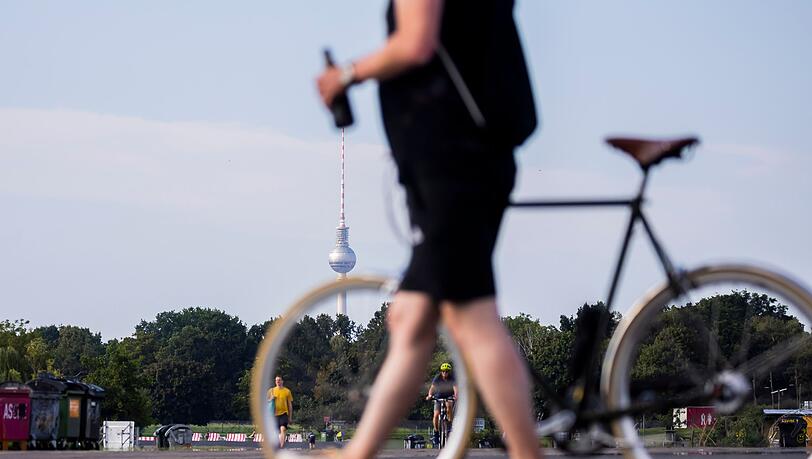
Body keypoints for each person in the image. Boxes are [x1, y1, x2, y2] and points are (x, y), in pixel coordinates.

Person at [316, 1, 540, 458]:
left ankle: (526, 452)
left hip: (453, 162)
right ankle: (359, 453)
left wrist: (346, 75)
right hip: (467, 157)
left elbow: (415, 43)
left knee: (470, 317)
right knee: (412, 318)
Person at [425, 362, 458, 444]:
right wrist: (429, 395)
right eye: (443, 371)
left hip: (449, 396)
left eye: (446, 371)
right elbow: (432, 388)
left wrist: (456, 396)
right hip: (438, 397)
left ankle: (449, 427)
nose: (445, 373)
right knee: (436, 415)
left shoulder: (452, 378)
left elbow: (455, 388)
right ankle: (436, 432)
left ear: (449, 372)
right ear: (441, 371)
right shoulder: (437, 377)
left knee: (449, 406)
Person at [266, 375, 293, 449]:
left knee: (283, 429)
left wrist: (290, 417)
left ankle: (282, 446)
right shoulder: (271, 391)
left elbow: (290, 405)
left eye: (279, 380)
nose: (278, 381)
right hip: (274, 414)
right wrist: (271, 398)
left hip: (284, 413)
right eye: (276, 380)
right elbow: (266, 402)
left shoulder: (287, 391)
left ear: (282, 381)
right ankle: (278, 445)